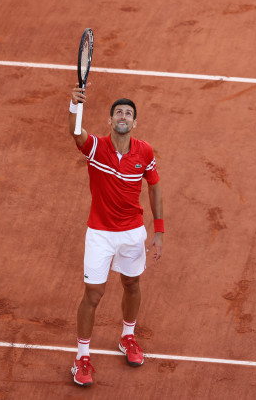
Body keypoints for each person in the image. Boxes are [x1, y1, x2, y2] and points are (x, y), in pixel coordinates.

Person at [67, 83, 164, 387]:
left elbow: (154, 185)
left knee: (132, 284)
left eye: (128, 113)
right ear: (110, 121)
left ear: (134, 123)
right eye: (118, 112)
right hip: (100, 235)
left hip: (132, 233)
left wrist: (158, 230)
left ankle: (128, 337)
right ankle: (82, 357)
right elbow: (76, 132)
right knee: (93, 295)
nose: (123, 116)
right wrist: (74, 105)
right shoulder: (96, 147)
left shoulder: (144, 151)